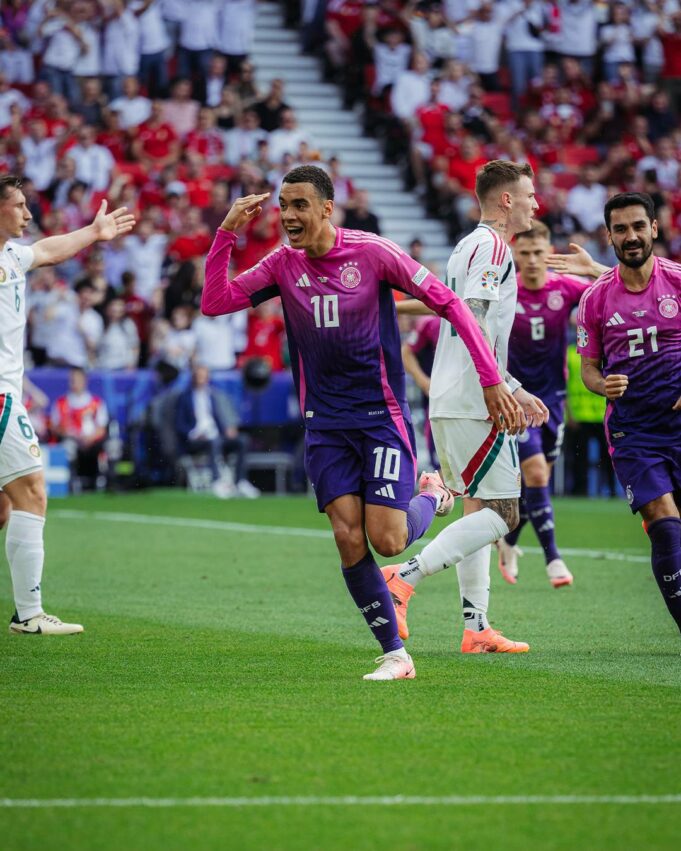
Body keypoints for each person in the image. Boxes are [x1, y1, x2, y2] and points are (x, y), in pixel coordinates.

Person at [202, 164, 521, 681]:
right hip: (325, 424)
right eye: (283, 206)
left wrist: (490, 379)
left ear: (327, 208)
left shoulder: (373, 253)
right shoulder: (282, 264)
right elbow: (215, 301)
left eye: (300, 205)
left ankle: (433, 496)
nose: (288, 216)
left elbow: (449, 303)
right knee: (348, 537)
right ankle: (396, 655)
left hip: (380, 418)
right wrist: (226, 234)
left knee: (388, 541)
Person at [383, 160, 548, 655]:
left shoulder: (466, 246)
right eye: (529, 196)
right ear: (506, 200)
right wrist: (497, 386)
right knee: (505, 513)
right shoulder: (493, 247)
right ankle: (403, 576)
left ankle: (476, 628)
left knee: (479, 505)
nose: (536, 204)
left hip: (456, 392)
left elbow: (457, 314)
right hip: (474, 397)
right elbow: (473, 318)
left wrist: (512, 384)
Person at [0, 174, 135, 634]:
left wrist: (94, 232)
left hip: (7, 392)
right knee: (33, 490)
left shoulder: (12, 255)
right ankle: (29, 614)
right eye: (19, 205)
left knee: (5, 507)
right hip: (0, 397)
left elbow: (48, 250)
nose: (28, 214)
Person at [556, 192, 681, 638]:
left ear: (654, 228)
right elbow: (589, 369)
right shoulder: (594, 299)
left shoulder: (677, 280)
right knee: (665, 526)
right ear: (608, 235)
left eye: (638, 226)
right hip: (634, 433)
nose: (631, 236)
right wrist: (601, 384)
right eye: (621, 229)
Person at [496, 221, 593, 588]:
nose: (533, 260)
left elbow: (614, 290)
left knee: (536, 484)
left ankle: (508, 542)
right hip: (517, 398)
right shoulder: (505, 291)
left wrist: (592, 269)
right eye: (525, 253)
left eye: (539, 252)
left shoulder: (564, 288)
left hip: (554, 400)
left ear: (549, 252)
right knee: (536, 475)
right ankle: (554, 559)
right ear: (515, 255)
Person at [175, 363, 258, 499]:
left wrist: (228, 429)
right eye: (199, 376)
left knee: (242, 441)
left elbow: (220, 418)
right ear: (193, 378)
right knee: (214, 442)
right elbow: (180, 424)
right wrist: (194, 434)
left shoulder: (213, 396)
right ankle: (217, 481)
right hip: (196, 439)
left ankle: (240, 481)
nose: (202, 380)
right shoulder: (184, 397)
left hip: (216, 436)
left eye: (204, 377)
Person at [51, 368, 110, 490]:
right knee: (68, 447)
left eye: (77, 380)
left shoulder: (96, 403)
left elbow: (102, 428)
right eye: (72, 380)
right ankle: (71, 483)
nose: (74, 383)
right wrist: (69, 434)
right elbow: (54, 426)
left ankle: (109, 481)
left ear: (84, 381)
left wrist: (90, 438)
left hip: (93, 442)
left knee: (113, 446)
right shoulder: (61, 403)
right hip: (72, 440)